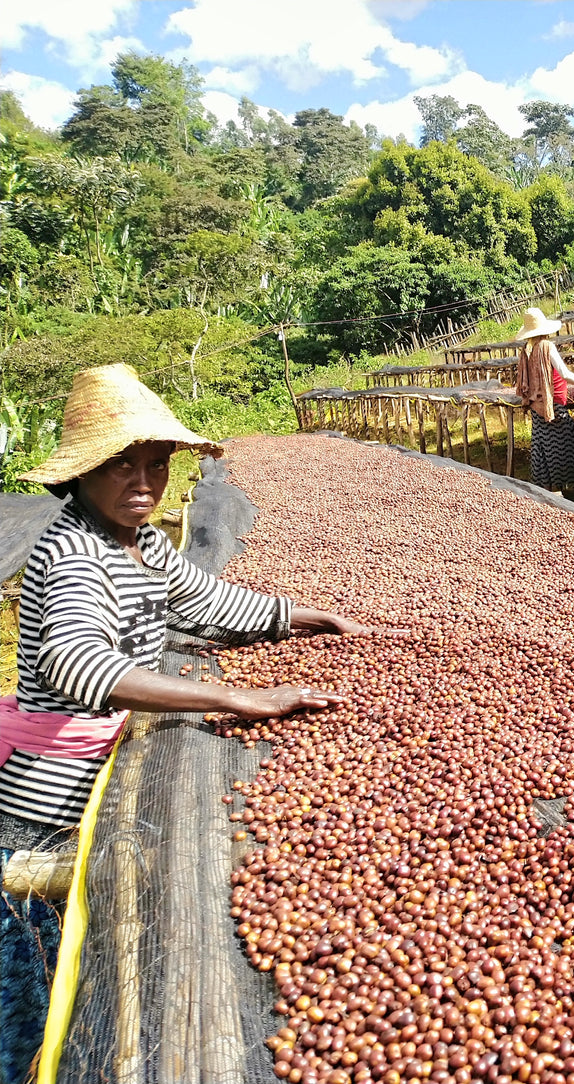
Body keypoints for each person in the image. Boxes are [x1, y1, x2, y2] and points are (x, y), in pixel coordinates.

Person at [2, 363, 365, 1081]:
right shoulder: (75, 554)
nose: (144, 482)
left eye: (157, 465)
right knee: (32, 985)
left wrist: (296, 618)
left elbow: (205, 601)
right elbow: (80, 665)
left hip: (99, 775)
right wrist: (233, 699)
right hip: (47, 806)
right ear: (78, 475)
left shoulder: (143, 543)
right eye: (122, 466)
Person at [515, 306, 574, 495]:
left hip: (536, 405)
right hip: (551, 405)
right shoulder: (547, 346)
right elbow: (563, 373)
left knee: (544, 449)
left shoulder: (527, 349)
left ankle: (550, 489)